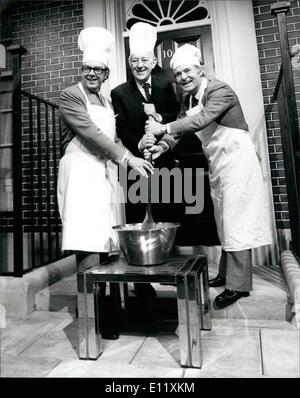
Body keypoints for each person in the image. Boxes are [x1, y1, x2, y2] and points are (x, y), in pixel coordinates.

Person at [144, 43, 273, 309]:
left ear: (201, 68)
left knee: (237, 219)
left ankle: (239, 286)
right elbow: (179, 132)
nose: (183, 78)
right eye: (179, 74)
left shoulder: (219, 90)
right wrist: (163, 145)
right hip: (218, 162)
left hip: (238, 160)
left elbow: (201, 120)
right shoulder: (188, 99)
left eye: (188, 71)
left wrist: (161, 127)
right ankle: (227, 274)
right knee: (224, 218)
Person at [57, 27, 153, 339]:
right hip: (81, 171)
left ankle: (110, 313)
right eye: (87, 69)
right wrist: (127, 160)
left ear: (106, 72)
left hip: (103, 172)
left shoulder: (106, 100)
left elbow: (112, 138)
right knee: (87, 242)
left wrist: (145, 146)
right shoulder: (71, 96)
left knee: (108, 244)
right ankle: (90, 318)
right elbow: (91, 134)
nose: (92, 74)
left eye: (98, 70)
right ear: (81, 70)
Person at [111, 22, 179, 299]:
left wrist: (160, 128)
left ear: (153, 61)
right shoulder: (118, 93)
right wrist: (139, 144)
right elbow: (122, 129)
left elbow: (180, 118)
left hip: (166, 160)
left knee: (169, 213)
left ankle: (171, 271)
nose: (140, 65)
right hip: (136, 166)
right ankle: (141, 281)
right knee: (138, 217)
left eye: (144, 60)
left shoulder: (169, 84)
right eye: (134, 61)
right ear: (130, 63)